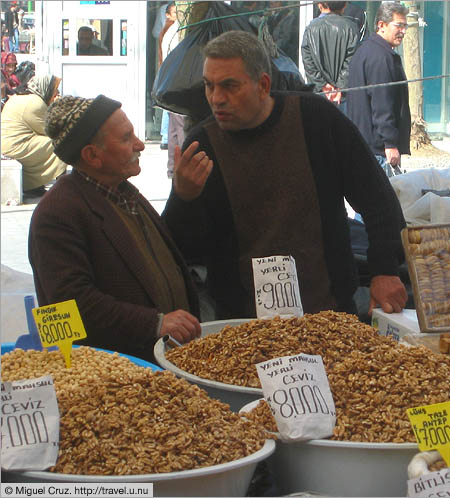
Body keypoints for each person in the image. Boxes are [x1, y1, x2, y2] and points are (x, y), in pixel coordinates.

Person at [162, 30, 407, 321]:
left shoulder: (317, 120)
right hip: (242, 323)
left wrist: (385, 269)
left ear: (263, 85)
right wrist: (183, 197)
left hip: (327, 312)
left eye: (229, 86)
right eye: (209, 86)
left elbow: (377, 199)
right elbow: (179, 250)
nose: (216, 98)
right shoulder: (203, 144)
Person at [29, 94, 201, 361]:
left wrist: (184, 195)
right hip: (114, 376)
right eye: (125, 138)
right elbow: (69, 306)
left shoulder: (122, 192)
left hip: (163, 360)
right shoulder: (57, 213)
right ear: (92, 155)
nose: (140, 144)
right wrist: (155, 324)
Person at [347, 2, 410, 178]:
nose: (403, 31)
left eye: (405, 26)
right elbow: (382, 105)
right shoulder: (380, 57)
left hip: (365, 144)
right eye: (399, 25)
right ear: (381, 25)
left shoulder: (366, 50)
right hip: (379, 150)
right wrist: (390, 144)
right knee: (383, 204)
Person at [1, 74, 67, 200]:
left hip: (9, 143)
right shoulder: (35, 103)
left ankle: (34, 187)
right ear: (46, 88)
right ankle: (63, 187)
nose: (57, 93)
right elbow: (50, 131)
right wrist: (58, 107)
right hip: (15, 145)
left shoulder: (20, 97)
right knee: (61, 143)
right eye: (55, 90)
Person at [301, 1, 359, 112]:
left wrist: (322, 85)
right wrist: (339, 87)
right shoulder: (351, 28)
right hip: (343, 97)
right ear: (344, 6)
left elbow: (308, 61)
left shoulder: (310, 29)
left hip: (319, 95)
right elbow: (352, 62)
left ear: (320, 5)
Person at [158, 2, 185, 177]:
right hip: (177, 82)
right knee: (181, 126)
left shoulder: (168, 31)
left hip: (170, 82)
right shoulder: (177, 32)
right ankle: (182, 165)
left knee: (174, 129)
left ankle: (173, 167)